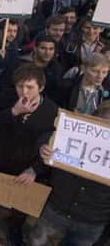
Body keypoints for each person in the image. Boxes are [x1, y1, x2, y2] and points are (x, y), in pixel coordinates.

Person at [0, 64, 58, 244]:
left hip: (26, 166)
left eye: (29, 87)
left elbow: (53, 146)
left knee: (20, 203)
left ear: (41, 88)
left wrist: (35, 169)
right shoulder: (6, 97)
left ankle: (15, 227)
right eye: (20, 86)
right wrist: (13, 112)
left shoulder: (52, 110)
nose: (24, 92)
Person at [30, 102, 110, 246]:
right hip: (57, 206)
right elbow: (46, 137)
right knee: (36, 241)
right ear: (94, 119)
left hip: (93, 220)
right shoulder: (77, 131)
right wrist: (43, 147)